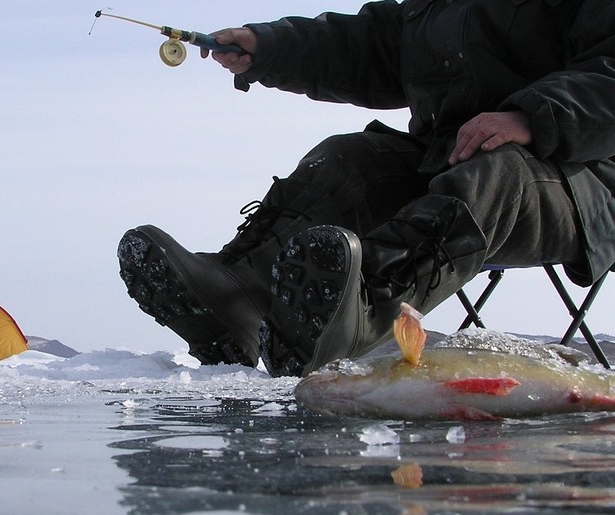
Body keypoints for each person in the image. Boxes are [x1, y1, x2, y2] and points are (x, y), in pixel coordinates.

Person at [118, 0, 615, 377]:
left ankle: (355, 310)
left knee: (496, 172)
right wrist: (268, 47)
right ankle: (242, 300)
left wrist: (532, 116)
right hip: (446, 163)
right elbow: (374, 46)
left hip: (576, 179)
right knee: (351, 159)